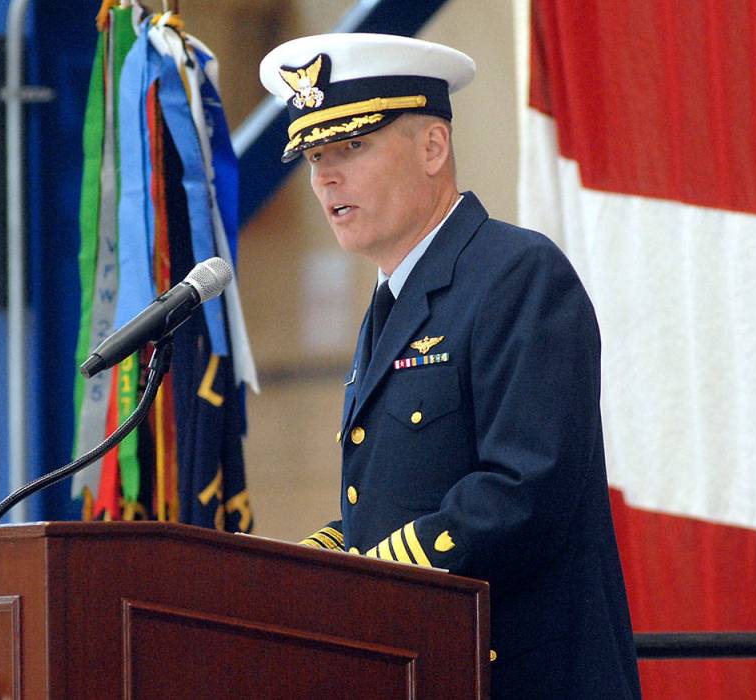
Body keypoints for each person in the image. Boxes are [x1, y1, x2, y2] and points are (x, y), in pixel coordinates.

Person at [259, 33, 641, 698]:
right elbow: (401, 494)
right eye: (316, 156)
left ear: (433, 147)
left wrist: (365, 574)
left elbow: (523, 490)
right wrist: (312, 562)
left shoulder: (517, 274)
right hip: (430, 665)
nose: (325, 177)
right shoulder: (394, 302)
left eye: (352, 146)